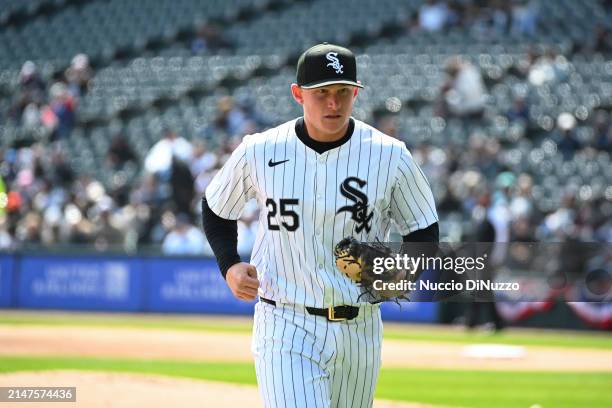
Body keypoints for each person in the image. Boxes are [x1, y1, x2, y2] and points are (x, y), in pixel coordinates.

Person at [202, 43, 439, 407]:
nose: (334, 103)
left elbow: (423, 228)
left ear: (356, 92)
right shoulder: (260, 150)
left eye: (343, 92)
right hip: (285, 320)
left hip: (360, 327)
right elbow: (216, 207)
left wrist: (402, 272)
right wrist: (229, 265)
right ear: (298, 94)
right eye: (322, 93)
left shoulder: (389, 155)